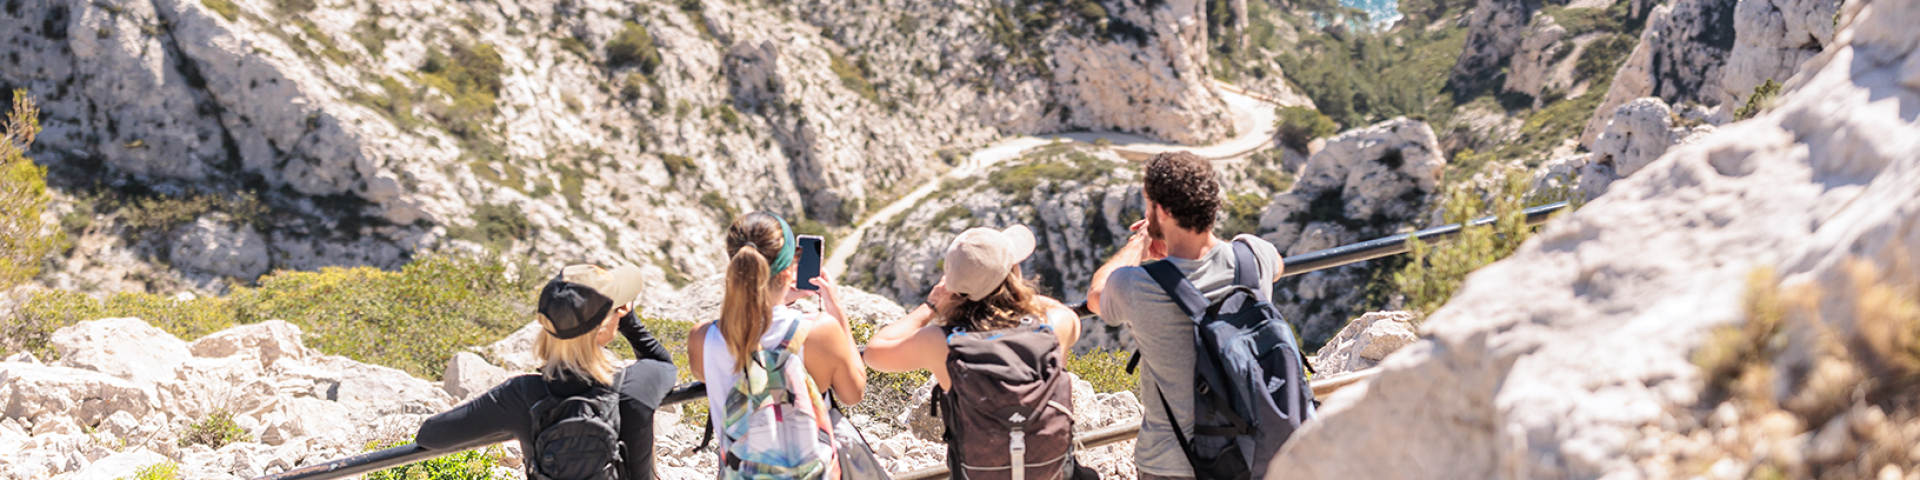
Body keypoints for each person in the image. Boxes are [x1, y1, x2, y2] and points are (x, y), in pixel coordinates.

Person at [1086, 151, 1286, 480]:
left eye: (1149, 203)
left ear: (1161, 211)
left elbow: (1097, 293)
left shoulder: (1138, 285)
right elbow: (1277, 265)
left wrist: (1140, 243)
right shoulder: (1255, 255)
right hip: (1252, 454)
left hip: (1171, 464)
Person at [864, 224, 1088, 480]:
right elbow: (1063, 311)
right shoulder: (1055, 326)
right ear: (1013, 276)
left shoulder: (942, 343)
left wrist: (931, 306)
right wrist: (1021, 299)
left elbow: (874, 352)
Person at [416, 264, 680, 480]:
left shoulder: (520, 395)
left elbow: (431, 436)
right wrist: (629, 322)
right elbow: (664, 366)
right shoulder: (634, 385)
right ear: (603, 327)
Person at [688, 212, 866, 477]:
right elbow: (853, 394)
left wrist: (778, 296)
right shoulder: (819, 330)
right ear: (790, 269)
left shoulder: (703, 337)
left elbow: (710, 372)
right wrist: (835, 309)